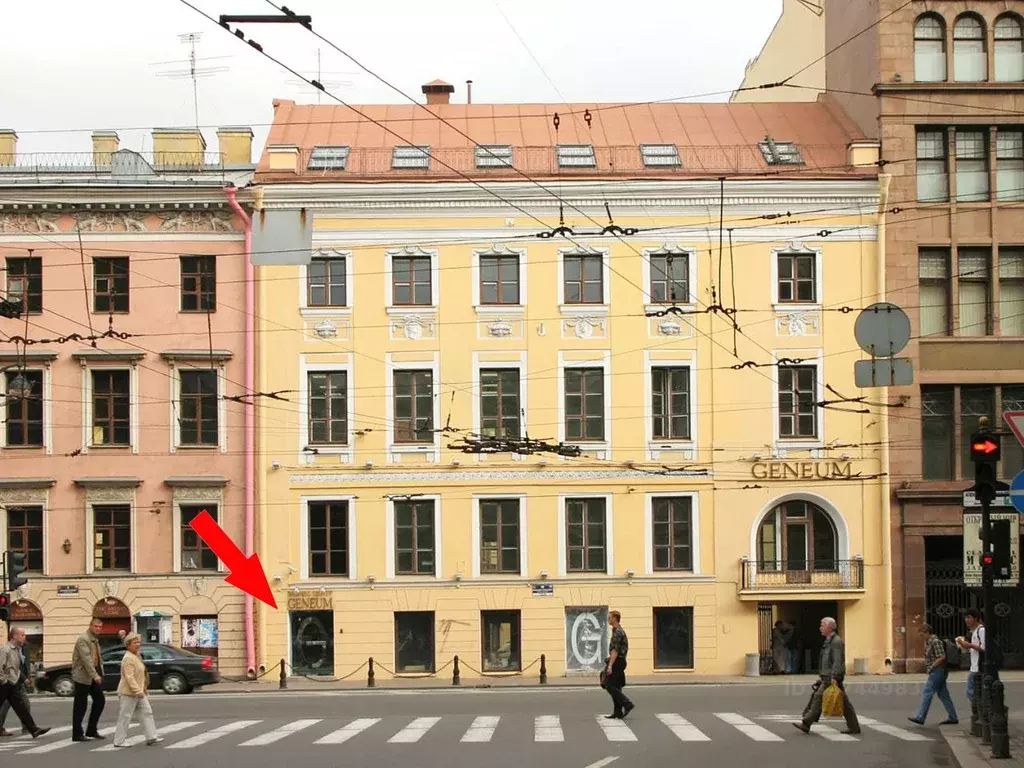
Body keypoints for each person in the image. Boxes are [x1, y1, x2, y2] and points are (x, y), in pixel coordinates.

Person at [792, 616, 861, 735]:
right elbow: (827, 661)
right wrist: (822, 676)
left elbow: (837, 661)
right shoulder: (829, 640)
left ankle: (806, 723)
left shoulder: (836, 641)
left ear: (830, 627)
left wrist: (834, 677)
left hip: (832, 678)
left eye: (822, 625)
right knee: (844, 703)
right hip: (828, 677)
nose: (820, 628)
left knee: (818, 698)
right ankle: (854, 726)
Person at [0, 628, 49, 739]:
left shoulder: (16, 649)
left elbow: (16, 668)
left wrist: (20, 679)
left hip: (13, 683)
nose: (24, 637)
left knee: (21, 708)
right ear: (14, 636)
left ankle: (33, 729)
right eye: (22, 635)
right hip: (4, 684)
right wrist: (4, 681)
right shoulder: (5, 649)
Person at [113, 633, 161, 748]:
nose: (138, 645)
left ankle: (151, 737)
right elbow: (129, 677)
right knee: (125, 716)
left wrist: (142, 689)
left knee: (147, 712)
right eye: (135, 643)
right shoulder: (128, 658)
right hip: (128, 692)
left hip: (139, 692)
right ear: (128, 645)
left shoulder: (137, 655)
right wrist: (137, 690)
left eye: (138, 642)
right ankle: (119, 741)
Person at [908, 623, 958, 726]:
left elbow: (942, 656)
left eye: (922, 634)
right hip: (938, 671)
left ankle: (920, 717)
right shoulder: (929, 642)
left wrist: (932, 667)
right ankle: (953, 717)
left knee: (927, 692)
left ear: (927, 632)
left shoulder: (935, 641)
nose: (921, 637)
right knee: (944, 695)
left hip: (938, 671)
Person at [71, 618, 106, 742]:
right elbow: (87, 660)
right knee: (80, 705)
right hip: (83, 676)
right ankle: (77, 733)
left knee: (100, 701)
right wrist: (95, 675)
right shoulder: (83, 639)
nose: (98, 629)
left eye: (100, 627)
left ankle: (91, 729)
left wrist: (100, 673)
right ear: (90, 625)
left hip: (92, 676)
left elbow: (97, 658)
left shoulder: (94, 639)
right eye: (96, 626)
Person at [602, 610, 634, 720]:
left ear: (615, 618)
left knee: (609, 685)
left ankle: (627, 704)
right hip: (619, 661)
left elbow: (615, 650)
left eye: (609, 617)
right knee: (616, 687)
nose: (608, 619)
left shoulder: (617, 632)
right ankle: (618, 711)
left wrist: (610, 665)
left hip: (617, 662)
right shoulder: (618, 630)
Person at [956, 609, 985, 707]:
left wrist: (969, 645)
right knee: (974, 692)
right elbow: (974, 649)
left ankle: (980, 711)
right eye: (965, 618)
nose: (966, 620)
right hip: (974, 666)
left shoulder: (981, 630)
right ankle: (980, 711)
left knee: (972, 692)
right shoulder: (974, 631)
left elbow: (983, 648)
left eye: (969, 617)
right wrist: (964, 645)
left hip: (979, 667)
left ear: (975, 618)